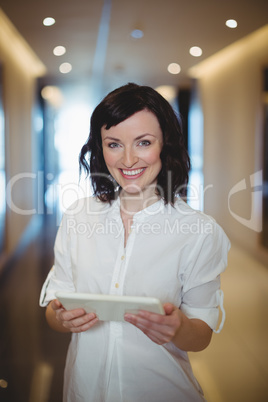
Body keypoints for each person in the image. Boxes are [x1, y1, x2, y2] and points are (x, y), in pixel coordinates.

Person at [40, 83, 230, 402]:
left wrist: (179, 328)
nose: (128, 160)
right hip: (83, 391)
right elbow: (53, 308)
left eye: (143, 142)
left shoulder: (198, 231)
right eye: (114, 144)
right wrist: (60, 318)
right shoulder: (78, 217)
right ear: (100, 149)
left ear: (165, 145)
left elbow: (201, 335)